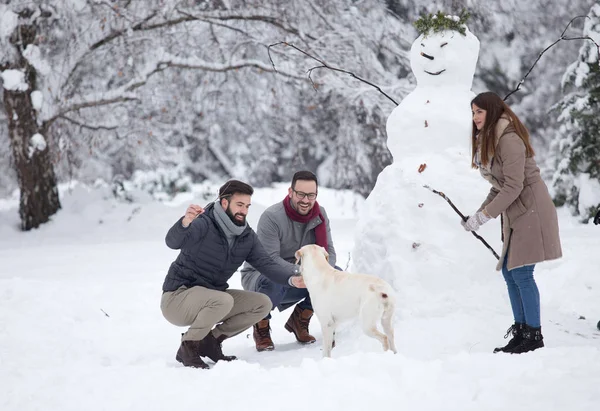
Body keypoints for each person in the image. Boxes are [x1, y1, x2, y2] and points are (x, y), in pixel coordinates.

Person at [161, 179, 306, 369]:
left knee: (262, 304)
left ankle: (210, 342)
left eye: (247, 206)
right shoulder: (204, 223)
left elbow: (267, 264)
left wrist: (294, 278)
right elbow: (172, 242)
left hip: (213, 299)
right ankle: (188, 346)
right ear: (224, 202)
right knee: (223, 300)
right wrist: (185, 222)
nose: (244, 211)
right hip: (177, 299)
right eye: (239, 205)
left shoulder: (246, 236)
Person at [463, 91, 562, 354]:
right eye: (473, 112)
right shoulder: (492, 139)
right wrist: (478, 215)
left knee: (521, 273)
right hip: (517, 211)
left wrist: (485, 216)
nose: (475, 118)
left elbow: (515, 186)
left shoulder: (508, 140)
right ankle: (521, 331)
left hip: (532, 210)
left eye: (479, 112)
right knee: (510, 272)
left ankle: (533, 335)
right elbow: (500, 186)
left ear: (493, 111)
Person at [241, 171, 337, 351]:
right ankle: (261, 325)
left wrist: (323, 272)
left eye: (311, 195)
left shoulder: (320, 215)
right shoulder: (272, 216)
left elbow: (328, 252)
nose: (306, 200)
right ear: (290, 192)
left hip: (301, 274)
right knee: (272, 279)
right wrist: (304, 273)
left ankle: (300, 319)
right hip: (261, 276)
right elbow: (269, 260)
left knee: (334, 274)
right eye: (301, 194)